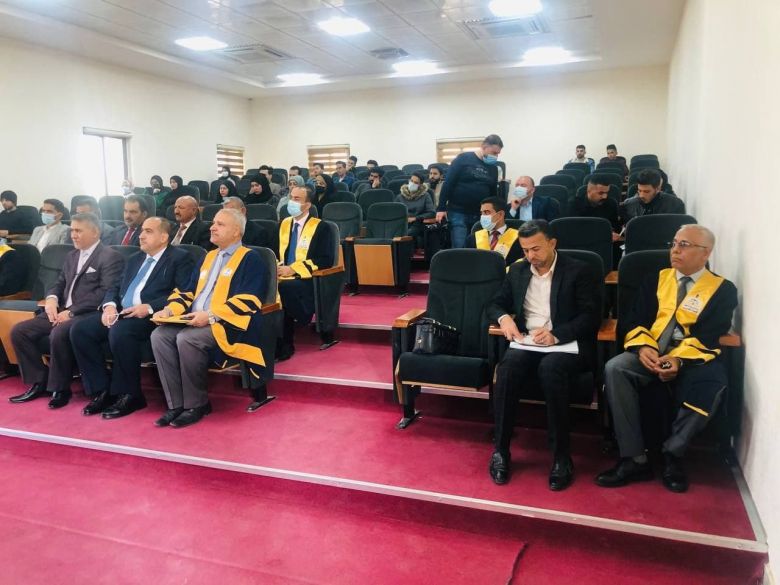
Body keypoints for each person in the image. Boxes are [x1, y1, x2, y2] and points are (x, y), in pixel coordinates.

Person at [596, 225, 737, 493]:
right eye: (673, 243)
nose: (675, 250)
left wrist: (678, 360)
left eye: (684, 245)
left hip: (691, 356)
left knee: (713, 383)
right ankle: (634, 458)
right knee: (615, 367)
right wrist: (643, 348)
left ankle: (673, 453)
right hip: (651, 351)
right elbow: (636, 319)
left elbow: (710, 334)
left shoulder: (722, 289)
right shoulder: (656, 279)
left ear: (705, 252)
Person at [487, 220, 601, 489]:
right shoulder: (517, 270)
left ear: (552, 243)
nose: (530, 256)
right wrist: (504, 318)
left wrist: (557, 335)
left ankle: (561, 456)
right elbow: (494, 303)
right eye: (525, 250)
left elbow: (591, 316)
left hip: (566, 344)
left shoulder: (578, 270)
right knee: (508, 368)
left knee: (551, 369)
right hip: (529, 341)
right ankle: (501, 450)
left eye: (536, 249)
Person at [150, 209, 269, 428]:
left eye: (220, 224)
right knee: (159, 335)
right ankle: (176, 404)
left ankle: (197, 404)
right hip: (194, 318)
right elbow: (187, 291)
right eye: (213, 223)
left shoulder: (250, 258)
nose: (212, 227)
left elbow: (250, 299)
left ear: (236, 231)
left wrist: (211, 315)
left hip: (227, 323)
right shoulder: (208, 257)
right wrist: (169, 311)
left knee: (187, 339)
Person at [70, 217, 194, 419]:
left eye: (148, 231)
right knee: (80, 330)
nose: (141, 235)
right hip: (123, 312)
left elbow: (184, 292)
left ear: (164, 237)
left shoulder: (180, 258)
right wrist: (110, 306)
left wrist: (150, 307)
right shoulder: (135, 258)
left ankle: (130, 395)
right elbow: (115, 286)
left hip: (152, 316)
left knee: (121, 332)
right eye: (142, 231)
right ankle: (102, 390)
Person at [8, 213, 124, 409]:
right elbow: (60, 283)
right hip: (61, 310)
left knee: (59, 333)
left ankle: (60, 388)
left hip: (88, 313)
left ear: (95, 232)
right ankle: (40, 381)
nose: (73, 235)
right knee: (19, 331)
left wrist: (72, 312)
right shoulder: (71, 255)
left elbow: (104, 292)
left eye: (79, 231)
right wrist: (52, 300)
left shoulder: (110, 256)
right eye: (72, 230)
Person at [276, 186, 336, 360]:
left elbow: (325, 260)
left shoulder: (321, 227)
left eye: (297, 199)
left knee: (284, 289)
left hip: (308, 278)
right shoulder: (283, 224)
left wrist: (293, 269)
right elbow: (275, 252)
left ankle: (286, 343)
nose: (291, 202)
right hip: (282, 275)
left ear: (307, 205)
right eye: (291, 197)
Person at [436, 134, 503, 248]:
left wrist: (494, 213)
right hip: (458, 212)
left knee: (479, 247)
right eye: (494, 152)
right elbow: (448, 183)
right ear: (484, 147)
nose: (496, 156)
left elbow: (493, 193)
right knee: (460, 247)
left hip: (481, 215)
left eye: (498, 154)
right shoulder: (463, 159)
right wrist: (441, 208)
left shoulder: (493, 168)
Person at [465, 196, 522, 266]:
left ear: (500, 214)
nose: (482, 216)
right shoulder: (472, 239)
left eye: (486, 212)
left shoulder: (519, 239)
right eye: (482, 213)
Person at [621, 169, 685, 221]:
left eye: (646, 191)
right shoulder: (628, 205)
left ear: (658, 189)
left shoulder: (675, 205)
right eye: (639, 190)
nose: (641, 195)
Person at [395, 171, 435, 249]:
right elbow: (394, 211)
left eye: (416, 183)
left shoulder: (425, 195)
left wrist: (415, 218)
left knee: (406, 234)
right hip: (402, 222)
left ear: (420, 185)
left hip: (418, 223)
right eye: (411, 181)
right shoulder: (400, 196)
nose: (412, 183)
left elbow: (432, 212)